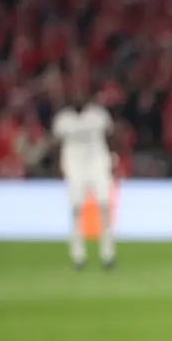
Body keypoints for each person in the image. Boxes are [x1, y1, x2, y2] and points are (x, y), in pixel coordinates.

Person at [51, 89, 117, 270]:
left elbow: (111, 137)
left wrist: (113, 159)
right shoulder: (63, 119)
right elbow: (56, 144)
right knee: (75, 211)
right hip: (74, 169)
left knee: (105, 207)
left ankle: (108, 255)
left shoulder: (98, 115)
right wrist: (58, 167)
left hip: (98, 166)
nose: (79, 98)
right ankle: (78, 257)